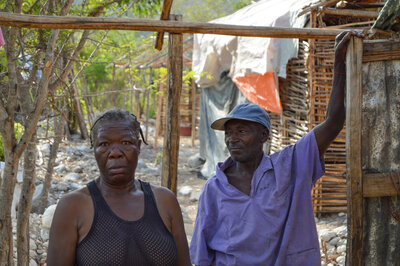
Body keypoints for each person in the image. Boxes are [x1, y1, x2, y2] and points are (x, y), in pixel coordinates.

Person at [189, 30, 364, 265]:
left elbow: (333, 123)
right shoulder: (215, 187)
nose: (232, 139)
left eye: (241, 131)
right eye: (229, 133)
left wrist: (339, 66)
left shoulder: (289, 166)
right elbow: (201, 249)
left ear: (264, 135)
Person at [47, 108, 191, 266]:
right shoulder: (72, 207)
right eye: (104, 144)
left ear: (138, 146)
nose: (115, 153)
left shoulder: (165, 201)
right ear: (93, 149)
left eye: (126, 143)